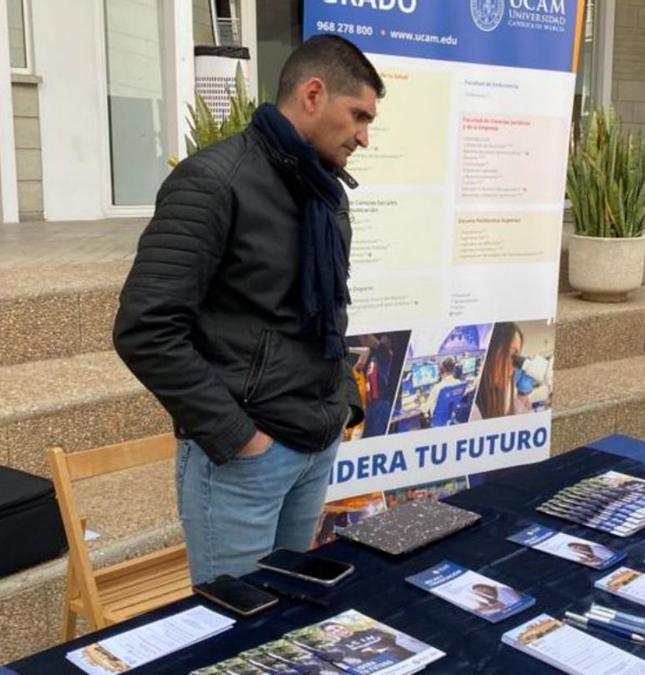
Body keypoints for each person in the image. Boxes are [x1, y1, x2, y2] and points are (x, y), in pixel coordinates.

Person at [112, 35, 384, 584]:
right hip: (244, 459)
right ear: (313, 93)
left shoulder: (325, 192)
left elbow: (327, 311)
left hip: (313, 444)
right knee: (234, 642)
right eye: (358, 115)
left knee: (288, 617)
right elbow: (145, 329)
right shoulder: (213, 182)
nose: (364, 136)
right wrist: (241, 439)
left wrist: (343, 399)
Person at [472, 322, 530, 419]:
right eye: (512, 355)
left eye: (517, 358)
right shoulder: (471, 409)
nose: (515, 366)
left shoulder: (505, 395)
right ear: (490, 352)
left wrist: (522, 393)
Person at [423, 356, 463, 423]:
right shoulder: (459, 383)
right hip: (450, 418)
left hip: (437, 422)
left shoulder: (437, 388)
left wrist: (422, 406)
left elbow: (425, 409)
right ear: (454, 369)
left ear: (441, 370)